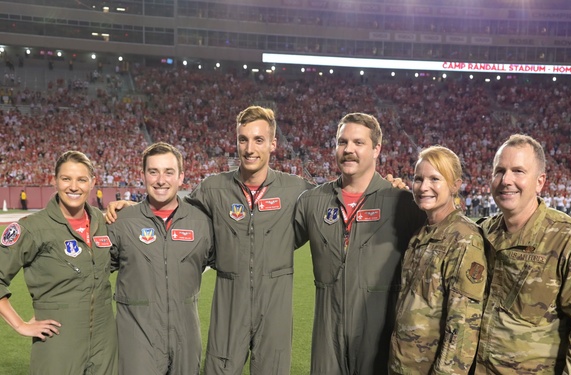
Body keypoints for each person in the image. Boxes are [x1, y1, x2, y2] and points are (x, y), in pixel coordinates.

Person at [293, 112, 426, 375]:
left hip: (379, 336)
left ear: (377, 149)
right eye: (342, 142)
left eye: (358, 143)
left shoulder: (403, 204)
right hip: (326, 336)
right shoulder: (312, 202)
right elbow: (273, 245)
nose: (348, 150)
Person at [185, 106, 314, 374]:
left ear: (273, 144)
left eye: (258, 140)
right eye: (243, 139)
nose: (249, 148)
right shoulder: (213, 188)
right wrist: (135, 208)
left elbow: (339, 200)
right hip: (230, 300)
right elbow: (175, 214)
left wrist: (385, 189)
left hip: (275, 302)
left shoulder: (296, 189)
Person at [474, 134, 571, 374]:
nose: (506, 180)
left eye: (518, 171)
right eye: (499, 171)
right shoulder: (482, 232)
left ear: (540, 182)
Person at [0, 151, 117, 374]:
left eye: (81, 179)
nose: (74, 186)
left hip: (105, 341)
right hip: (59, 343)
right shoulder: (32, 228)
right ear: (54, 181)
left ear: (92, 183)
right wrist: (20, 324)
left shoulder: (103, 224)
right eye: (66, 179)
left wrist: (127, 206)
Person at [108, 142, 214, 374]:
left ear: (181, 177)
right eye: (153, 171)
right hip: (137, 340)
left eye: (169, 172)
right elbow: (91, 270)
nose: (160, 180)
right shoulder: (122, 222)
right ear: (143, 175)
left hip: (185, 338)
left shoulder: (202, 223)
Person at [388, 146, 487, 374]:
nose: (424, 187)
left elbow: (463, 329)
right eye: (418, 178)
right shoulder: (420, 234)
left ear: (455, 185)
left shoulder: (464, 239)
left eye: (435, 179)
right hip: (402, 365)